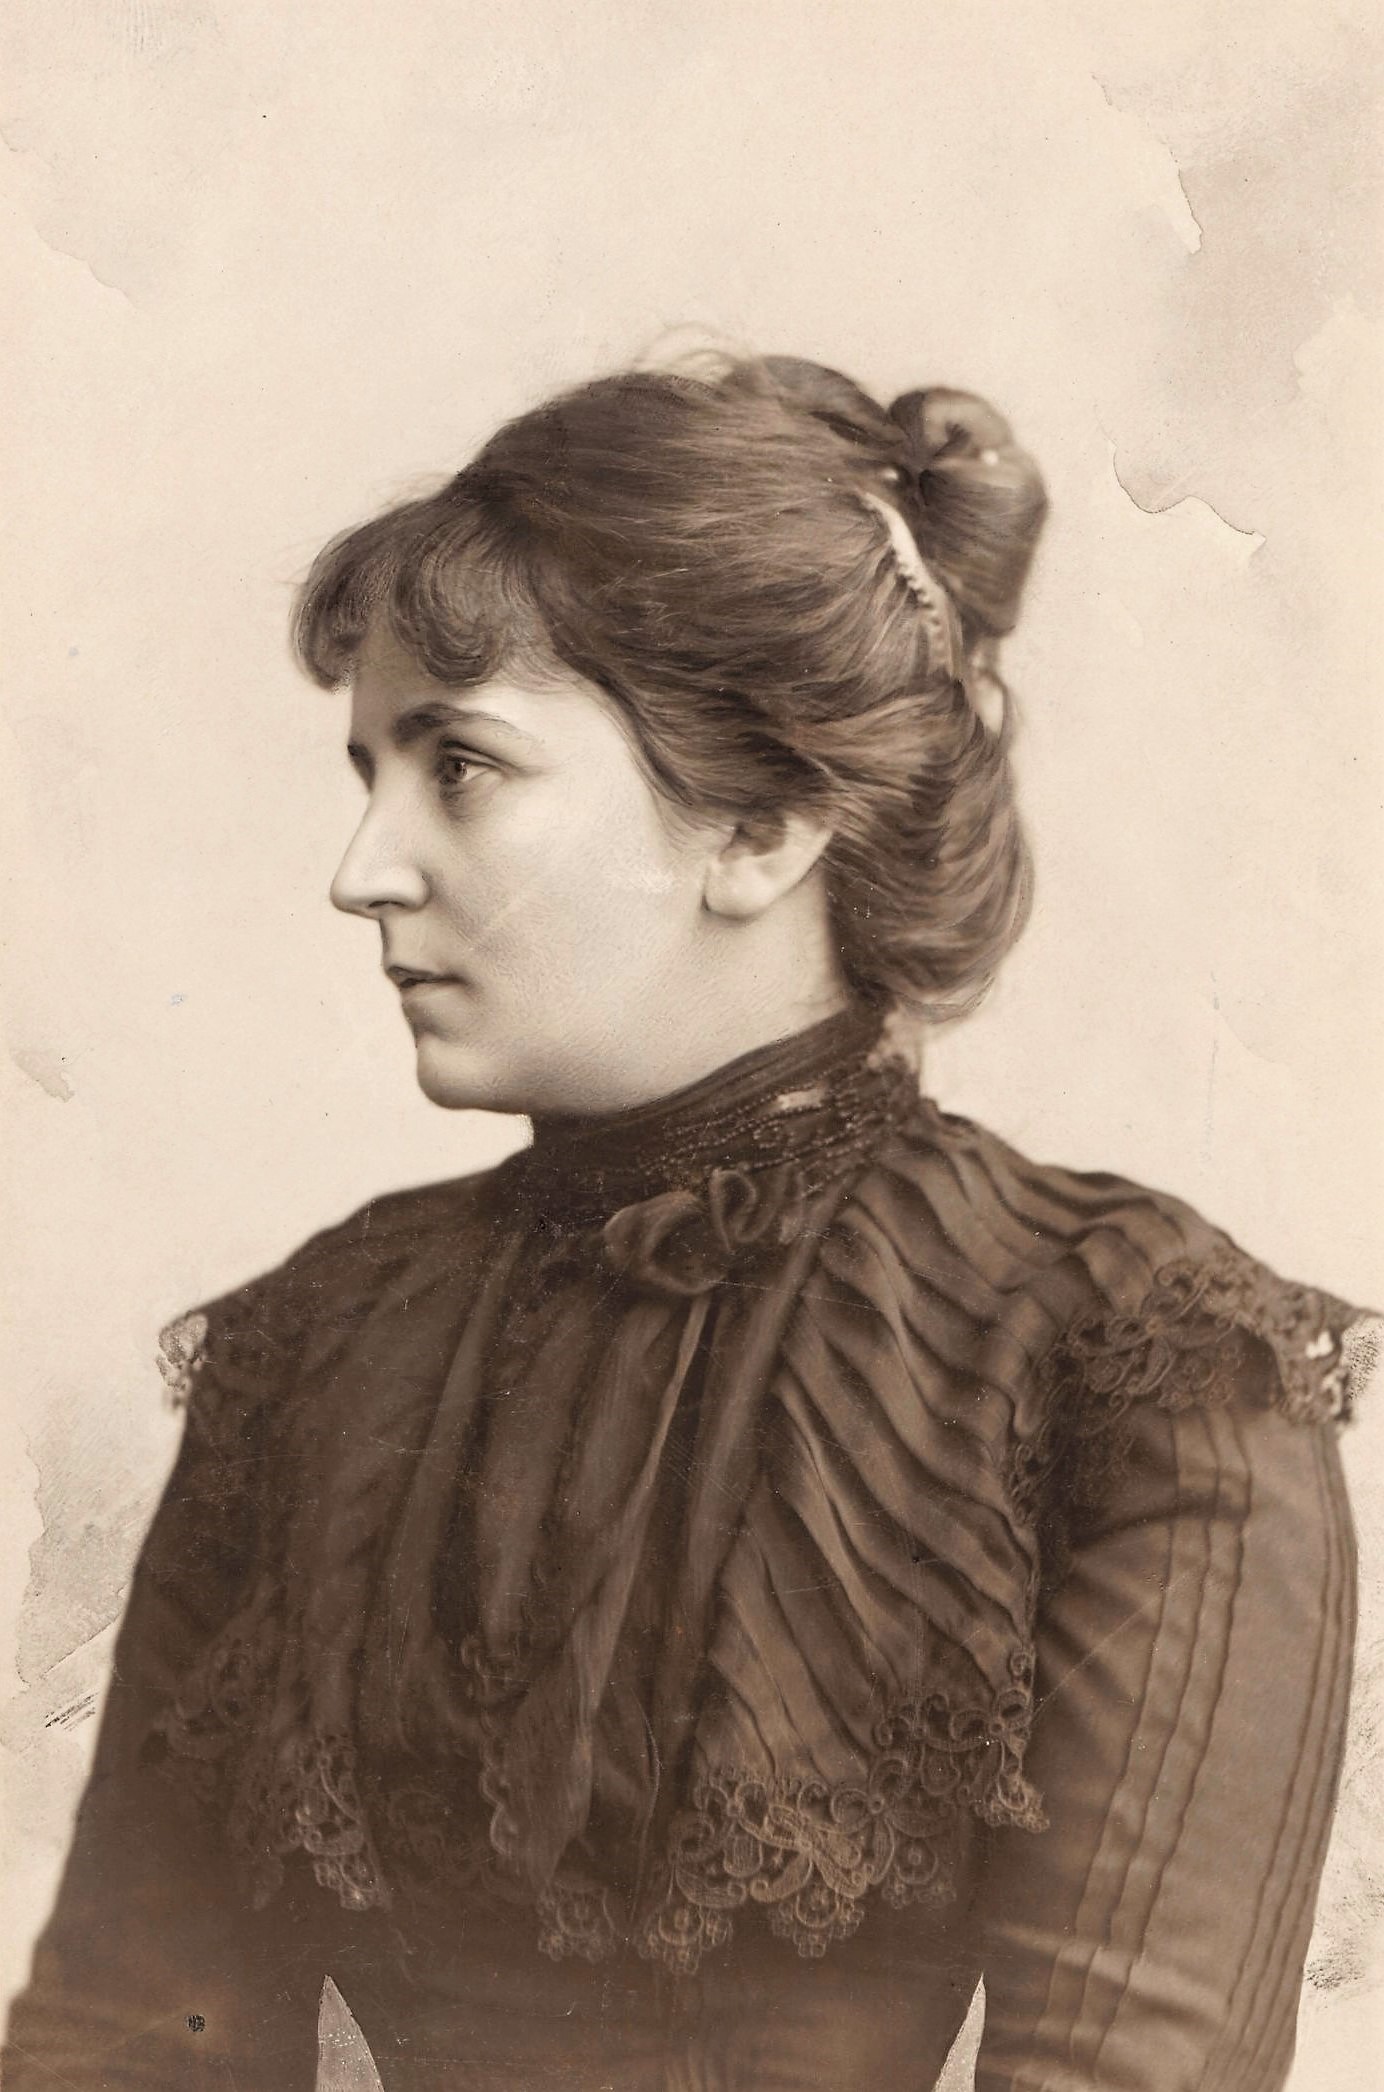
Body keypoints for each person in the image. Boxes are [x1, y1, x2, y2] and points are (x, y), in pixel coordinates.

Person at [3, 354, 1376, 2092]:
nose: (362, 869)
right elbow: (123, 2046)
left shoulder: (1126, 1349)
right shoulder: (320, 1341)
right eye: (368, 773)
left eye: (460, 767)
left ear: (763, 822)